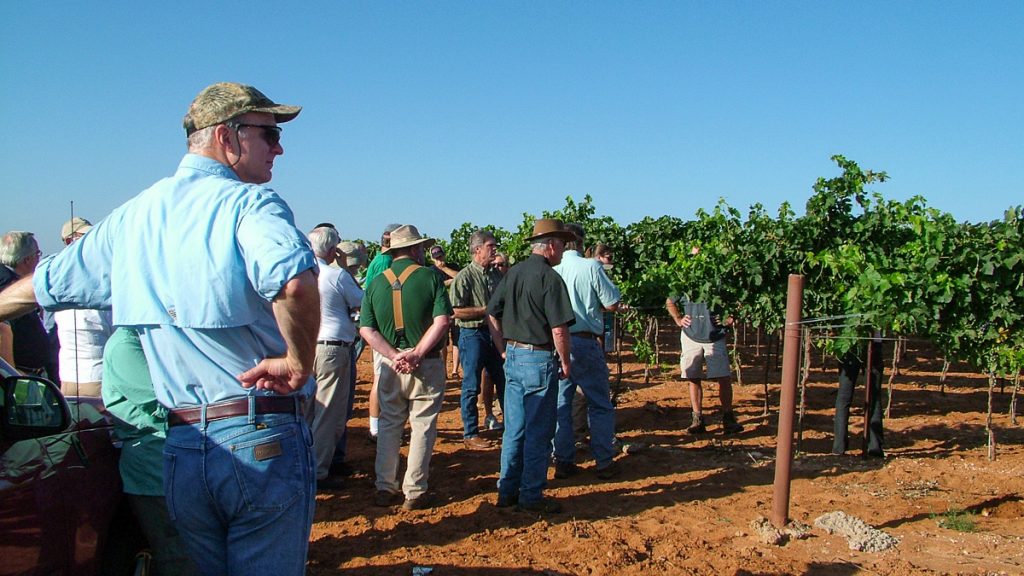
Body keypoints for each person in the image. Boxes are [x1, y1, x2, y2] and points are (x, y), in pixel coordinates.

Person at [0, 82, 318, 575]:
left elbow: (36, 289)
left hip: (184, 446)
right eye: (269, 133)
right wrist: (299, 362)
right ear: (226, 138)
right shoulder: (249, 206)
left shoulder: (132, 217)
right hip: (258, 431)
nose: (279, 147)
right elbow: (294, 285)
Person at [359, 224, 451, 511]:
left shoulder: (374, 283)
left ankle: (385, 486)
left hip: (390, 365)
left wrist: (394, 355)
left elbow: (366, 329)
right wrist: (418, 353)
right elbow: (442, 321)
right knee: (423, 425)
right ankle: (415, 489)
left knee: (389, 425)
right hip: (426, 363)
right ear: (414, 249)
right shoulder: (430, 277)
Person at [487, 218, 576, 514]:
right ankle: (531, 496)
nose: (563, 251)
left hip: (513, 357)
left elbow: (492, 312)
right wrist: (565, 361)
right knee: (539, 431)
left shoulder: (513, 274)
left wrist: (502, 347)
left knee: (514, 429)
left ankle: (507, 490)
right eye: (562, 245)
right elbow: (559, 329)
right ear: (550, 246)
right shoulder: (550, 279)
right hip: (538, 359)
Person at [101, 328, 199, 576]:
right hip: (154, 468)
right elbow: (165, 404)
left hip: (178, 459)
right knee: (178, 554)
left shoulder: (153, 336)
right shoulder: (125, 344)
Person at [552, 224, 622, 480]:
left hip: (558, 343)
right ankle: (604, 461)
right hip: (585, 342)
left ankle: (563, 460)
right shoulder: (591, 267)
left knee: (562, 404)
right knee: (600, 405)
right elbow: (612, 302)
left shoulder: (554, 270)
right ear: (581, 242)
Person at [307, 226, 363, 490]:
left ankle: (308, 465)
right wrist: (343, 265)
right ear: (332, 250)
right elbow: (361, 300)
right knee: (329, 412)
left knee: (308, 409)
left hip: (308, 346)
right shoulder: (336, 275)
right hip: (333, 348)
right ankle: (318, 472)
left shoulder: (303, 272)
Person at [450, 230, 505, 449]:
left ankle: (511, 427)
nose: (495, 249)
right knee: (471, 385)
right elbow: (455, 311)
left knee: (503, 381)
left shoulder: (496, 275)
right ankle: (470, 433)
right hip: (472, 335)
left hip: (495, 335)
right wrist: (485, 310)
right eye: (491, 246)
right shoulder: (464, 276)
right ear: (477, 249)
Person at [665, 292, 743, 435]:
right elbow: (670, 301)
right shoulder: (685, 280)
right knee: (693, 378)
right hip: (691, 336)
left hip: (716, 336)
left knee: (723, 377)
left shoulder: (720, 279)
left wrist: (732, 316)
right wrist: (678, 319)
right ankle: (697, 419)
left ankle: (728, 418)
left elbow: (739, 298)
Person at [53, 217, 113, 398]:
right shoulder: (97, 278)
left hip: (68, 375)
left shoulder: (57, 278)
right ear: (69, 240)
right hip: (96, 376)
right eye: (84, 237)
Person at [364, 223, 402, 442]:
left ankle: (377, 426)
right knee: (381, 379)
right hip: (383, 330)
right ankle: (376, 429)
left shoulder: (378, 261)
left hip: (377, 327)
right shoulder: (386, 262)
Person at [0, 231, 56, 380]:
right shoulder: (8, 285)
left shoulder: (8, 279)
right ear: (27, 259)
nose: (39, 259)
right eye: (38, 254)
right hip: (20, 375)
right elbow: (3, 330)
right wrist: (12, 375)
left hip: (26, 372)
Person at [833, 334, 885, 457]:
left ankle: (839, 447)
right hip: (872, 344)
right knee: (874, 397)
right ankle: (875, 448)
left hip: (848, 342)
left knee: (844, 397)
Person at [427, 244, 460, 378]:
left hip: (456, 308)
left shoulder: (453, 266)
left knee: (457, 340)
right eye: (436, 258)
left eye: (441, 256)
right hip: (441, 310)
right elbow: (436, 286)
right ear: (432, 258)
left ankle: (455, 370)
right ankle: (444, 370)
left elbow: (460, 277)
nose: (439, 260)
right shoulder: (430, 271)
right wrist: (450, 282)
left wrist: (445, 268)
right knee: (442, 341)